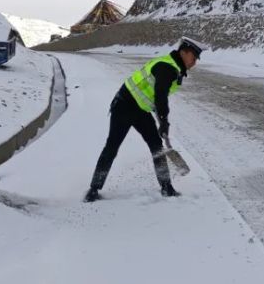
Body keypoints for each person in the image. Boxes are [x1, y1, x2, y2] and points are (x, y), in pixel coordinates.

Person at [84, 37, 205, 202]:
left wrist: (161, 120)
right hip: (124, 105)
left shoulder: (173, 66)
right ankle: (94, 189)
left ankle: (166, 187)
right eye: (193, 57)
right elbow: (160, 95)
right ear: (184, 52)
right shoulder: (167, 67)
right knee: (112, 146)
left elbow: (153, 96)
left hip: (141, 110)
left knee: (157, 146)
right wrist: (163, 120)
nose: (194, 62)